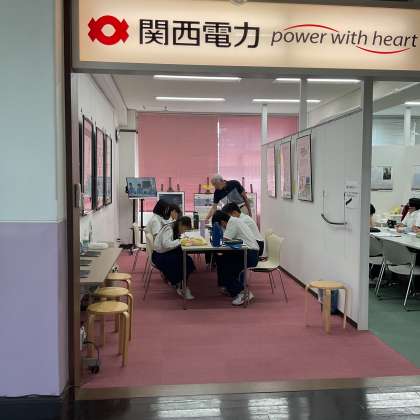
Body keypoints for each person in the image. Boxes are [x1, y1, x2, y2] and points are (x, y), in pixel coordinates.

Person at [212, 210, 259, 306]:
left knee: (225, 266)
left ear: (222, 222)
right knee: (221, 260)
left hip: (250, 254)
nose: (222, 228)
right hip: (247, 251)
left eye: (220, 226)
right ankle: (230, 287)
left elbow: (224, 240)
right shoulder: (234, 221)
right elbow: (226, 242)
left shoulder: (232, 223)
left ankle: (243, 293)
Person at [152, 216, 196, 299]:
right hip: (159, 256)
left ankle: (180, 283)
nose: (184, 231)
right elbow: (166, 245)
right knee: (182, 261)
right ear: (180, 224)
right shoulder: (169, 229)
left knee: (187, 260)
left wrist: (181, 240)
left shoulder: (174, 227)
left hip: (165, 252)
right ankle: (181, 286)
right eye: (184, 229)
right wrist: (181, 241)